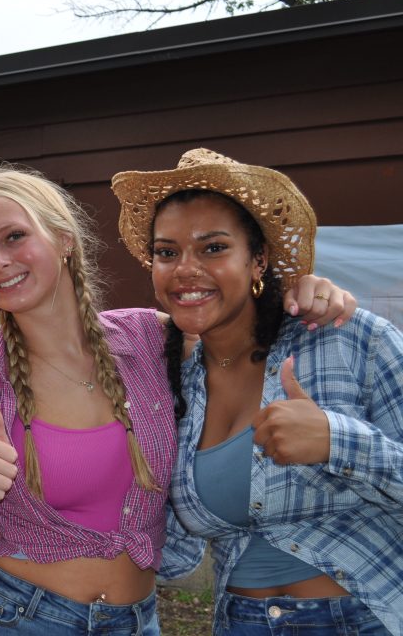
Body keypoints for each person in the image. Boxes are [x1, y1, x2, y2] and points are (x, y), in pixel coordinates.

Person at [0, 165, 352, 635]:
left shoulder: (152, 338)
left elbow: (242, 327)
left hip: (136, 621)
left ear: (64, 239)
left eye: (14, 237)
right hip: (13, 617)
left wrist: (306, 293)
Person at [112, 148, 403, 635]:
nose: (185, 268)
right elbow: (175, 555)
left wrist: (338, 440)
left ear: (258, 260)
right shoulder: (174, 386)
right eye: (167, 252)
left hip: (362, 618)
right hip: (241, 622)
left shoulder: (346, 338)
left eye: (213, 248)